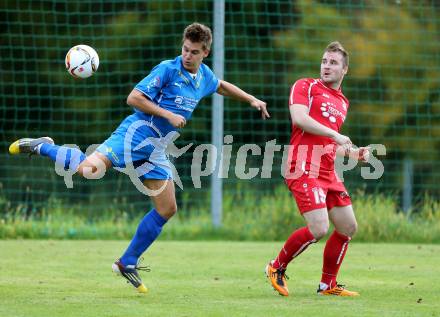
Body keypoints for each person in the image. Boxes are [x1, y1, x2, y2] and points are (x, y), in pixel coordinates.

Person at [9, 22, 269, 293]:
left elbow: (221, 86)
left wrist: (251, 99)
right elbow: (133, 98)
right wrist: (168, 115)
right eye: (185, 49)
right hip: (133, 135)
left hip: (155, 148)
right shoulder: (168, 69)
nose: (187, 55)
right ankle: (43, 146)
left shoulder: (203, 76)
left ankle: (127, 261)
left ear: (205, 52)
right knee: (87, 171)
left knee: (167, 208)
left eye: (193, 51)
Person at [265, 41, 369, 297]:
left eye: (333, 63)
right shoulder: (306, 86)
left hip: (327, 170)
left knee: (347, 227)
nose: (326, 66)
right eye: (324, 61)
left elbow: (329, 143)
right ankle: (276, 267)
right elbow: (300, 119)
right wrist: (336, 135)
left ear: (345, 69)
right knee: (319, 228)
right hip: (302, 165)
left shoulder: (343, 102)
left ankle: (327, 285)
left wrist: (353, 153)